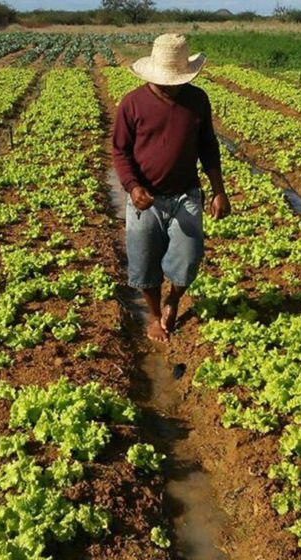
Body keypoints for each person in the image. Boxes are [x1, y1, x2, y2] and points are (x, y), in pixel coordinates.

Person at [112, 33, 231, 343]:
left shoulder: (197, 100)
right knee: (144, 260)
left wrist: (218, 190)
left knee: (190, 254)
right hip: (145, 198)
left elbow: (208, 146)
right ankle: (154, 315)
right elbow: (120, 152)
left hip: (186, 194)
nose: (171, 85)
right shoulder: (132, 104)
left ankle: (174, 298)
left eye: (177, 79)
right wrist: (133, 186)